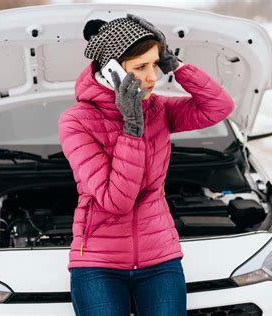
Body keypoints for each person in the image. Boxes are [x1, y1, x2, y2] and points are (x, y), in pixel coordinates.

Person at [58, 13, 234, 316]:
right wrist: (131, 130)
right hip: (98, 262)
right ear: (111, 71)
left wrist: (176, 65)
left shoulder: (159, 110)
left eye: (156, 64)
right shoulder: (76, 122)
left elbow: (219, 106)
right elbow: (117, 201)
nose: (153, 77)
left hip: (160, 259)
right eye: (141, 67)